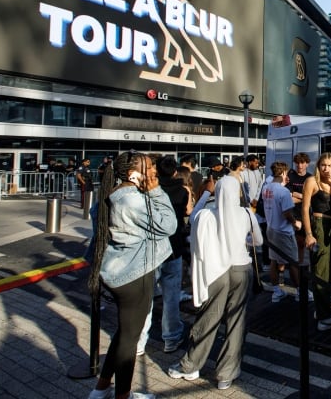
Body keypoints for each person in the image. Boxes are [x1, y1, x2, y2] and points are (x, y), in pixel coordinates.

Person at [87, 151, 177, 399]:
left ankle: (102, 387)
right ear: (132, 174)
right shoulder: (133, 200)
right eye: (149, 167)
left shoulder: (113, 195)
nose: (154, 171)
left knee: (124, 333)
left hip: (120, 271)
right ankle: (123, 395)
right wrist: (156, 191)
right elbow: (169, 225)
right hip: (134, 275)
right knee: (130, 340)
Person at [168, 174, 264, 390]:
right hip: (241, 269)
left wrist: (206, 194)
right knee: (236, 321)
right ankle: (226, 374)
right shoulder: (246, 214)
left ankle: (191, 365)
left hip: (216, 273)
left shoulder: (205, 216)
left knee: (208, 318)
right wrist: (243, 240)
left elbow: (191, 218)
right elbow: (258, 241)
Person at [137, 155, 190, 356]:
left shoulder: (145, 191)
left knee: (145, 298)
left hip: (150, 250)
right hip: (173, 248)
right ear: (175, 171)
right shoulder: (181, 190)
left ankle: (140, 341)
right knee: (171, 297)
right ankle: (171, 338)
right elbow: (187, 212)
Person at [302, 152, 331, 331]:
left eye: (330, 165)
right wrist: (308, 233)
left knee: (329, 272)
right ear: (318, 165)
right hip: (319, 225)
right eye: (323, 165)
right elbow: (305, 208)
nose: (326, 169)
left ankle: (322, 310)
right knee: (320, 271)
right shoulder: (311, 182)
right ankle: (325, 318)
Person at [262, 161, 311, 303]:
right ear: (283, 173)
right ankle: (300, 292)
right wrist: (296, 223)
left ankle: (277, 292)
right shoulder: (282, 191)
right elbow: (287, 214)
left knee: (274, 261)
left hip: (270, 228)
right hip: (284, 232)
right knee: (293, 263)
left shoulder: (267, 188)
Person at [286, 152, 313, 272]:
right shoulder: (290, 176)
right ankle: (294, 266)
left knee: (302, 243)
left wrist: (296, 194)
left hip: (305, 214)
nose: (299, 166)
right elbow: (288, 197)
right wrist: (303, 196)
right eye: (297, 163)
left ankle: (300, 266)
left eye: (302, 163)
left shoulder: (310, 178)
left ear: (307, 164)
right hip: (292, 214)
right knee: (292, 243)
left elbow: (312, 198)